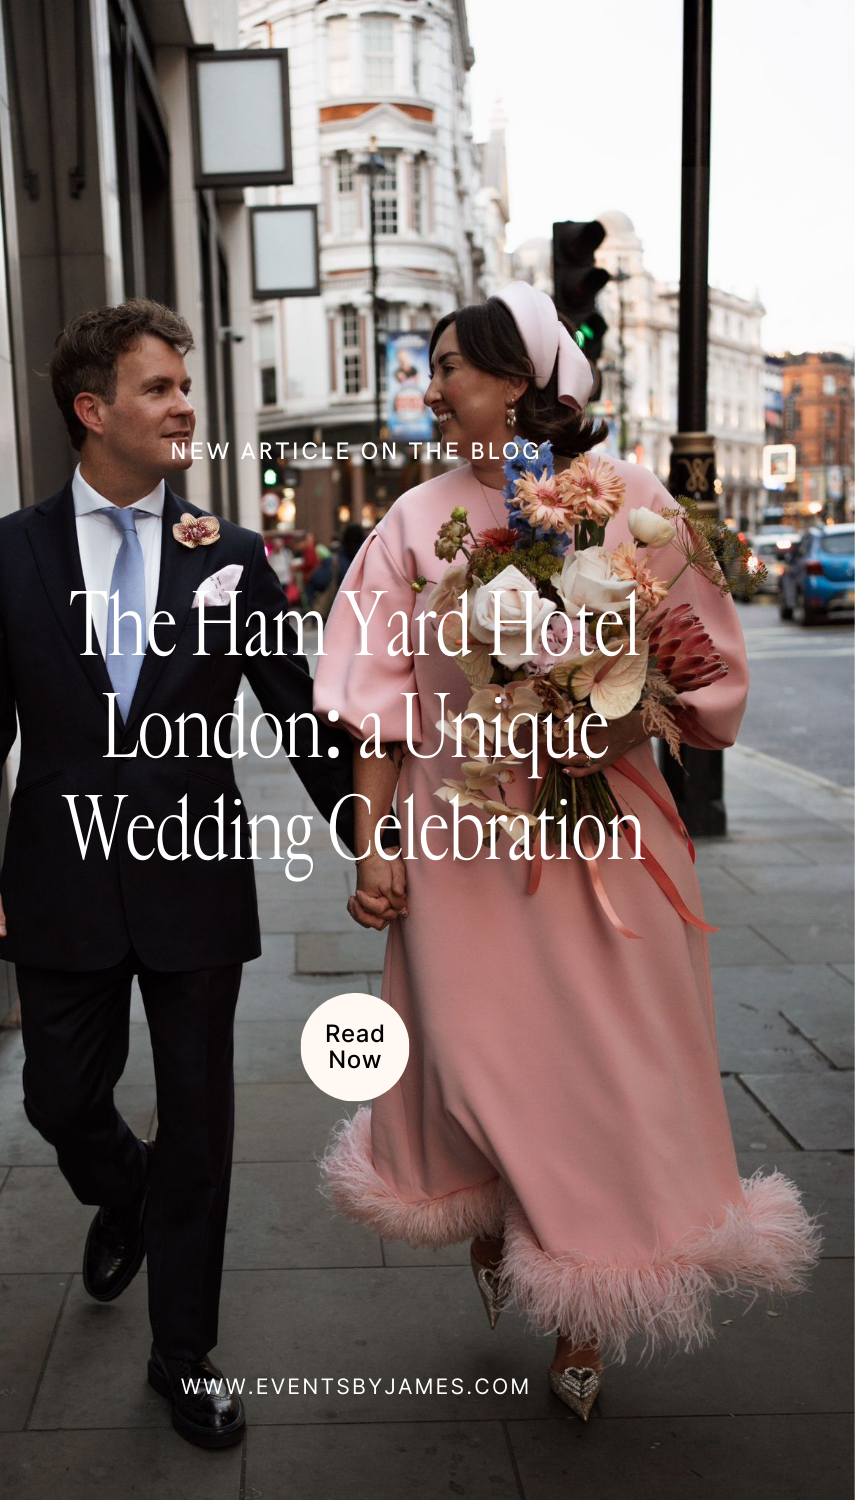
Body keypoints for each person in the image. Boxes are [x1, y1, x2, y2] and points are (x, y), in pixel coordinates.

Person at [312, 282, 822, 1420]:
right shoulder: (411, 522)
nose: (431, 387)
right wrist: (373, 841)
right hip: (462, 835)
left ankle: (585, 1316)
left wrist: (611, 698)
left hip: (605, 832)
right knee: (470, 1055)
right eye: (431, 366)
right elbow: (379, 705)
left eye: (452, 365)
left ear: (523, 380)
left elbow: (703, 681)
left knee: (597, 1068)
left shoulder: (630, 504)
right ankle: (494, 1213)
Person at [0, 299, 358, 1450]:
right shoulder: (5, 554)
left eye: (183, 385)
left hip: (193, 884)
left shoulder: (230, 555)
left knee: (203, 1121)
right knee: (59, 1098)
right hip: (56, 882)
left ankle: (186, 1353)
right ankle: (124, 1191)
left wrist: (377, 836)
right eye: (161, 388)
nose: (184, 406)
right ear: (93, 410)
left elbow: (298, 715)